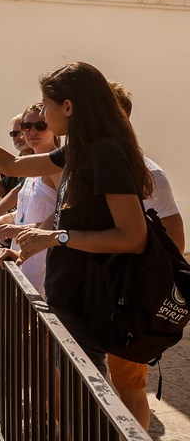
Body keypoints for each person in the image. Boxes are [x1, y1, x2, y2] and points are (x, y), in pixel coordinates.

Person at [0, 62, 153, 388]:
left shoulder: (105, 153)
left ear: (69, 107)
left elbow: (132, 238)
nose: (43, 113)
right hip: (69, 296)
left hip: (88, 298)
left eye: (46, 105)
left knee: (85, 403)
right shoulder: (82, 150)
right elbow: (12, 165)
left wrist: (53, 237)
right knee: (74, 398)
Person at [104, 80, 185, 429]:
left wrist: (138, 287)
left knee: (128, 388)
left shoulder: (148, 173)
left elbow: (175, 242)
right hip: (92, 298)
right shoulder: (87, 163)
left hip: (126, 301)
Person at [0, 103, 62, 296]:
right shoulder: (31, 165)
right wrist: (0, 220)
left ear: (52, 127)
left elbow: (64, 213)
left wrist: (19, 230)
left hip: (46, 260)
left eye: (40, 126)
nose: (32, 131)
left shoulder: (57, 166)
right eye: (26, 127)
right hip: (25, 256)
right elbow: (27, 210)